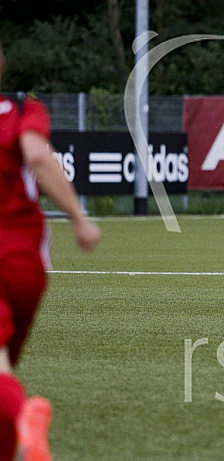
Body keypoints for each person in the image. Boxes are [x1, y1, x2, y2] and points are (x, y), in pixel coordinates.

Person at [0, 41, 101, 461]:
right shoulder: (23, 106)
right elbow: (39, 156)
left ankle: (24, 416)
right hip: (25, 259)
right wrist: (78, 217)